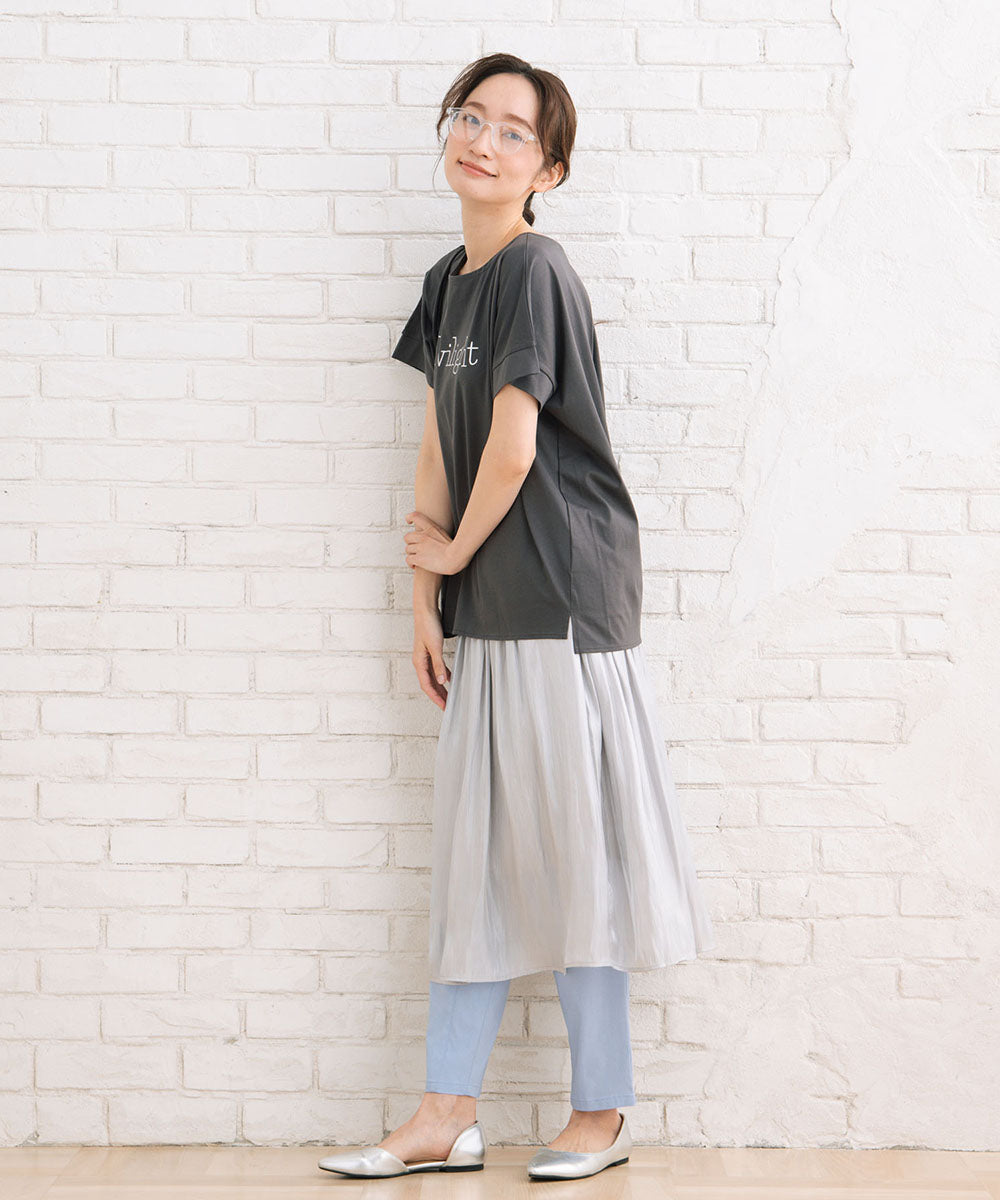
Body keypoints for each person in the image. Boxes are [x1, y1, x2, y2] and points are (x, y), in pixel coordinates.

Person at [318, 52, 715, 1183]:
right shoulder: (449, 281)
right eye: (469, 117)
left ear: (549, 170)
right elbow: (436, 446)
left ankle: (602, 1110)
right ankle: (447, 1112)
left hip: (562, 602)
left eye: (512, 131)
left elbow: (512, 442)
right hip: (490, 604)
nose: (481, 141)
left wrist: (453, 556)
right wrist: (425, 596)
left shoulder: (536, 268)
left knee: (574, 862)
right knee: (474, 865)